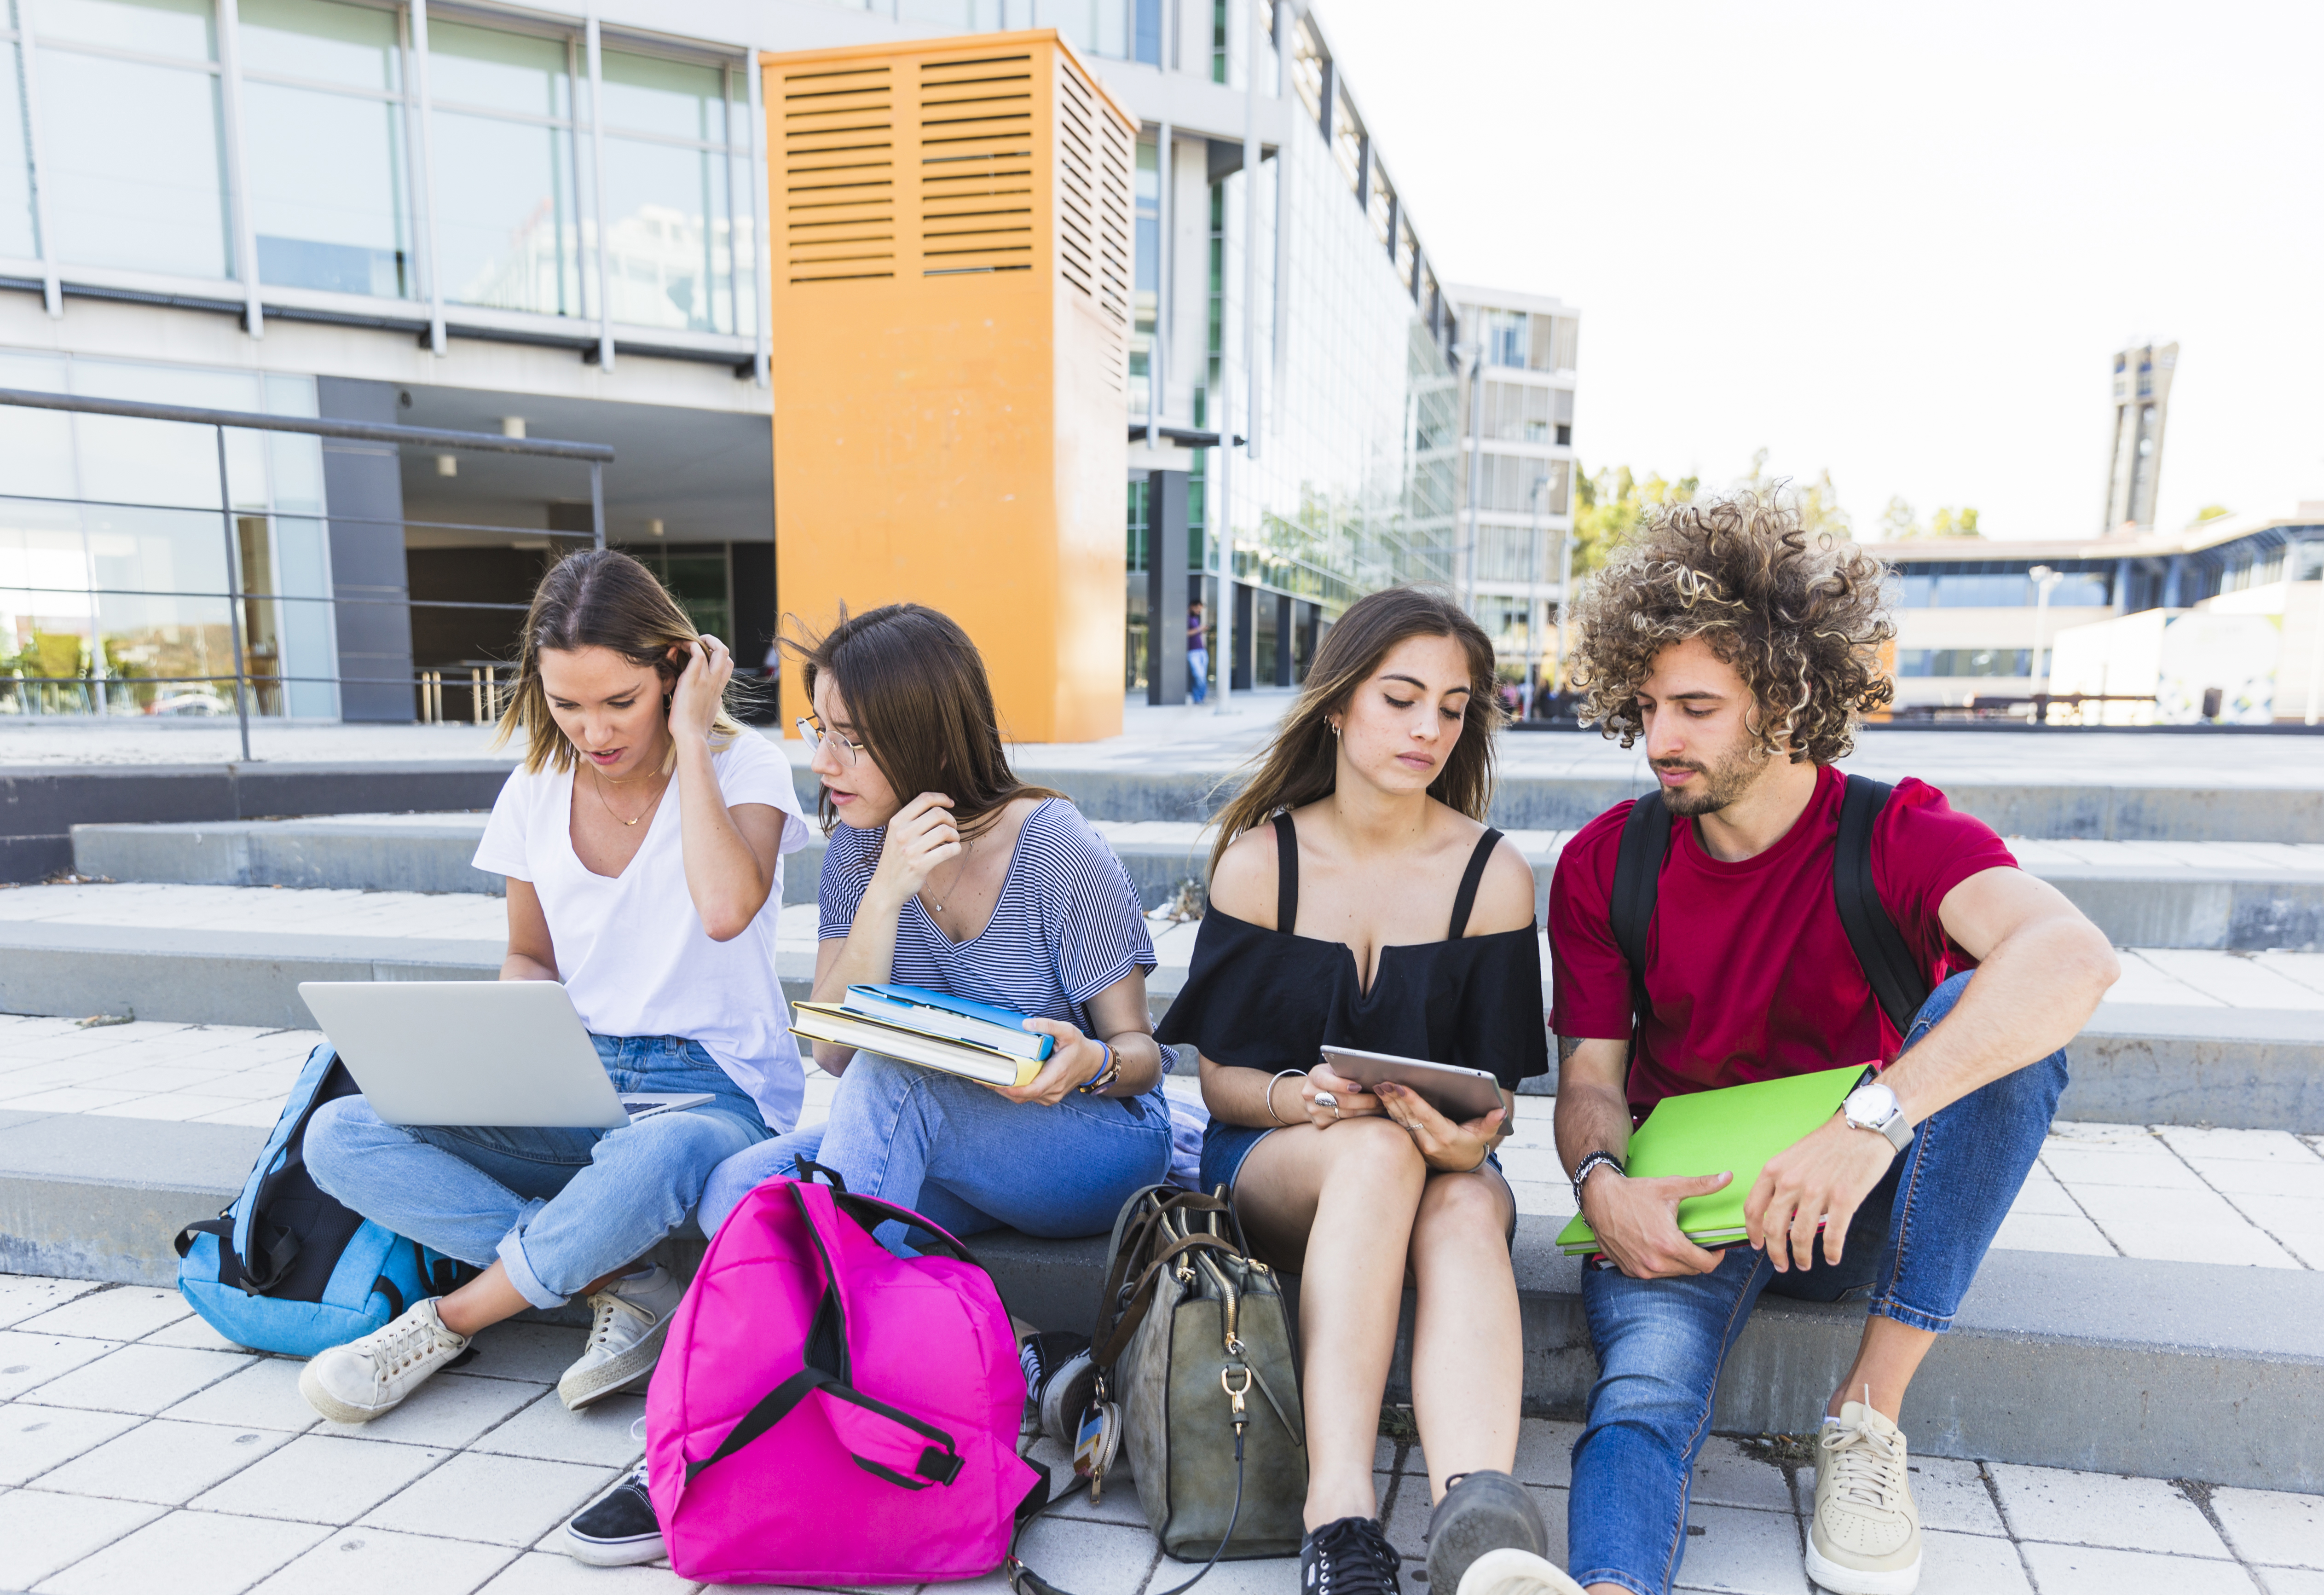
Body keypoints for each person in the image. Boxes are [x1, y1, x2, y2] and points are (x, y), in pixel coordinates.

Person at [1532, 495, 2117, 1595]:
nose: (1659, 739)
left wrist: (1865, 1124)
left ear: (1789, 695)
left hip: (1860, 1201)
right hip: (1688, 1202)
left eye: (1697, 707)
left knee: (2000, 1025)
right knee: (1640, 1402)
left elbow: (2071, 959)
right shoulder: (1605, 862)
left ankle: (1866, 1413)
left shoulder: (1894, 833)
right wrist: (1600, 1179)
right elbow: (1590, 1082)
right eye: (1648, 704)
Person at [560, 601, 1174, 1567]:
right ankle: (1019, 1354)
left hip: (1086, 1140)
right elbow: (834, 1054)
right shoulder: (859, 846)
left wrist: (1082, 1058)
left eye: (850, 738)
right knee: (744, 1189)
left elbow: (1142, 1059)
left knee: (899, 1080)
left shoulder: (1055, 847)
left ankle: (760, 1415)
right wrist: (886, 888)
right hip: (937, 1144)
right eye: (819, 730)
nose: (823, 761)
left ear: (922, 734)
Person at [301, 549, 809, 1427]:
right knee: (339, 1135)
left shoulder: (742, 766)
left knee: (651, 1156)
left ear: (674, 671)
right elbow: (531, 956)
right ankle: (622, 1280)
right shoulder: (534, 789)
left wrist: (691, 736)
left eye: (621, 702)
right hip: (577, 1076)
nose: (595, 732)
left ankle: (444, 1323)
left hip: (713, 1089)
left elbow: (727, 908)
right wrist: (510, 1040)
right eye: (567, 705)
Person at [1156, 586, 1578, 1595]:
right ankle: (1338, 1514)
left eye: (1452, 705)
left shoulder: (1492, 874)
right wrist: (1308, 1101)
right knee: (1375, 1148)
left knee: (1471, 1198)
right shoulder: (1263, 862)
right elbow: (1218, 1078)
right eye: (1400, 698)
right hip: (1279, 1163)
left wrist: (1463, 1139)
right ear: (1339, 704)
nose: (1428, 727)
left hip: (1432, 1167)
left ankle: (1478, 1517)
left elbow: (1496, 1099)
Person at [1188, 600, 1210, 704]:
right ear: (1192, 606)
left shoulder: (1195, 618)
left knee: (1202, 676)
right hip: (1192, 652)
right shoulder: (1186, 618)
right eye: (1198, 609)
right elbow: (1186, 633)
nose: (1199, 612)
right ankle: (1199, 697)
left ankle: (1199, 699)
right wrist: (1200, 629)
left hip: (1202, 651)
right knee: (1198, 675)